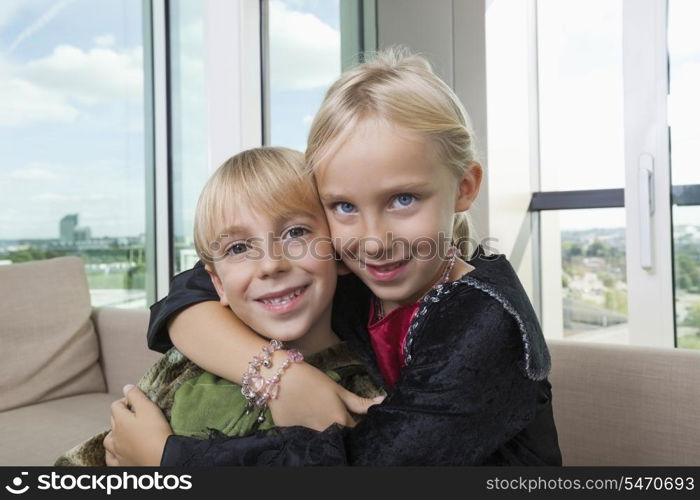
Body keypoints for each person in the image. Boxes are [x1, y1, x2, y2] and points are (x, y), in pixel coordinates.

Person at [108, 48, 562, 466]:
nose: (372, 241)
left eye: (403, 199)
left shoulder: (487, 322)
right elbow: (190, 292)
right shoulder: (347, 271)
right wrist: (280, 375)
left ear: (464, 187)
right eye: (344, 206)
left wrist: (167, 459)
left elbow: (373, 467)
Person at [72, 147, 382, 467]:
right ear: (217, 284)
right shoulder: (184, 367)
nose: (271, 264)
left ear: (338, 249)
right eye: (239, 247)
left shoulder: (369, 390)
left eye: (296, 233)